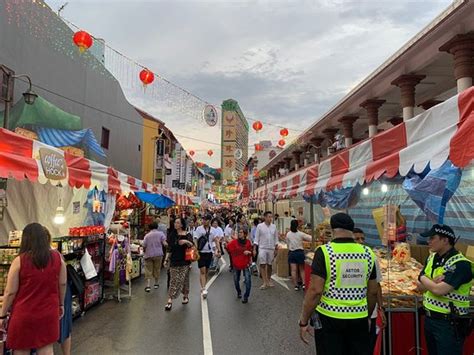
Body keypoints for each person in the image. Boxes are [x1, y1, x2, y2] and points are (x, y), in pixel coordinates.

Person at [299, 213, 378, 355]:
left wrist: (304, 320)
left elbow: (315, 291)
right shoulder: (368, 253)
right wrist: (367, 315)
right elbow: (372, 291)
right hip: (358, 317)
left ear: (333, 229)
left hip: (330, 318)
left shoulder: (325, 252)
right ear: (351, 231)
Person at [0, 223, 67, 355]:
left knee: (21, 348)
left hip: (24, 314)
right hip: (49, 311)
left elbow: (10, 292)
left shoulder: (19, 261)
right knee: (46, 347)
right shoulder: (57, 257)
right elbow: (63, 283)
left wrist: (2, 315)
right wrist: (61, 304)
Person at [417, 224, 473, 355]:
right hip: (430, 319)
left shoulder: (460, 264)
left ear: (445, 240)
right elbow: (419, 288)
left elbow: (439, 290)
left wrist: (423, 277)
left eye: (432, 238)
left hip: (450, 323)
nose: (428, 241)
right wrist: (430, 281)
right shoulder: (431, 258)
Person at [353, 227, 386, 353]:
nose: (361, 241)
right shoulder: (342, 258)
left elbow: (376, 286)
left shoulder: (370, 257)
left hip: (369, 312)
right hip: (350, 312)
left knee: (367, 346)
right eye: (357, 239)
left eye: (362, 239)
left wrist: (381, 308)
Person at [163, 218, 194, 311]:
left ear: (181, 225)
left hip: (185, 261)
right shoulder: (172, 235)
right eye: (175, 222)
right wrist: (166, 259)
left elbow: (192, 245)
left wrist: (186, 241)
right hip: (174, 260)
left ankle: (185, 295)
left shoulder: (187, 234)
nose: (175, 224)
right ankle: (169, 300)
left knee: (183, 279)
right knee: (173, 280)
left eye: (177, 223)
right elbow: (169, 249)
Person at [194, 215, 221, 298]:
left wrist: (219, 250)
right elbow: (195, 239)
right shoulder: (199, 229)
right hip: (201, 252)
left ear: (209, 221)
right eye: (203, 219)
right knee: (202, 270)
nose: (203, 221)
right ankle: (203, 288)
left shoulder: (213, 230)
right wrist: (196, 250)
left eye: (205, 220)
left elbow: (216, 240)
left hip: (209, 252)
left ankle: (204, 285)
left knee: (206, 271)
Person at [253, 211, 279, 290]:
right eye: (269, 217)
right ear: (264, 217)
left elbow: (276, 238)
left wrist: (276, 248)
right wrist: (254, 249)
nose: (270, 218)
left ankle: (269, 279)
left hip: (271, 248)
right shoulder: (260, 226)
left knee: (270, 265)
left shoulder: (274, 226)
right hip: (262, 248)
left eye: (271, 217)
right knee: (263, 264)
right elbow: (256, 238)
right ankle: (264, 281)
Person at [227, 228, 253, 303]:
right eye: (239, 232)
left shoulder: (248, 242)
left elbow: (251, 252)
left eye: (241, 232)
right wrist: (233, 255)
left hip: (246, 263)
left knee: (248, 281)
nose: (239, 234)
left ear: (245, 234)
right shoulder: (234, 242)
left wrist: (248, 252)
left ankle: (246, 296)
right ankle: (239, 291)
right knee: (236, 280)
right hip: (236, 264)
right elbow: (228, 248)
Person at [286, 219, 312, 291]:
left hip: (292, 253)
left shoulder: (288, 234)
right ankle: (304, 284)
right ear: (297, 226)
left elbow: (287, 244)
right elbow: (310, 238)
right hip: (300, 252)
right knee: (302, 269)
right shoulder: (300, 234)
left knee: (293, 270)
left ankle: (296, 285)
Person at [143, 222, 168, 292]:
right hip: (158, 254)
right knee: (157, 269)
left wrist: (144, 251)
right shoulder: (161, 234)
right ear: (157, 227)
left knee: (148, 270)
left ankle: (148, 285)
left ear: (149, 227)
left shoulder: (147, 236)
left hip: (148, 254)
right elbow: (165, 243)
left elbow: (144, 245)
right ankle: (156, 283)